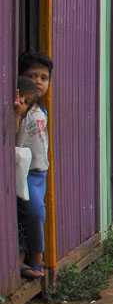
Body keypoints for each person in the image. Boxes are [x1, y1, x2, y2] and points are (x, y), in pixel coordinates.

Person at [16, 51, 52, 280]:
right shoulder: (21, 107)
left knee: (35, 214)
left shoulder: (41, 109)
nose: (38, 81)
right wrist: (18, 114)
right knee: (34, 212)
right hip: (24, 171)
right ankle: (35, 262)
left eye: (44, 77)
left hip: (40, 171)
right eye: (32, 76)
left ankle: (32, 260)